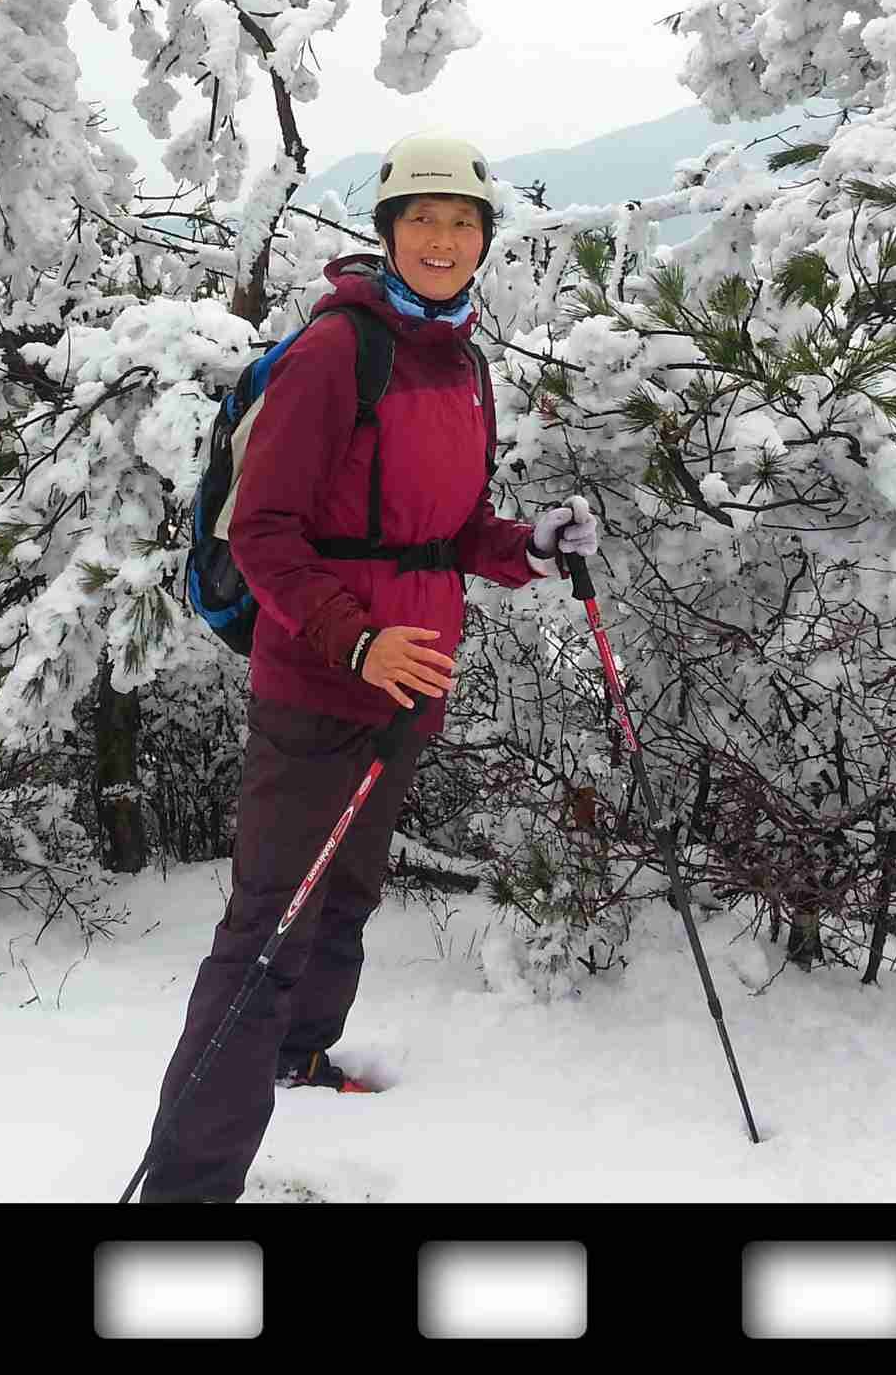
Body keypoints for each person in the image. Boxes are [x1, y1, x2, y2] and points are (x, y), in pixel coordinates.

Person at [136, 132, 600, 1203]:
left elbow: (450, 529)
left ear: (483, 238)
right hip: (320, 684)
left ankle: (300, 1056)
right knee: (267, 926)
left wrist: (530, 546)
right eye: (422, 218)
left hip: (412, 678)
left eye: (463, 221)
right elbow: (264, 531)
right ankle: (189, 1185)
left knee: (346, 889)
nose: (443, 238)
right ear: (387, 232)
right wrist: (354, 640)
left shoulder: (461, 358)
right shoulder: (337, 351)